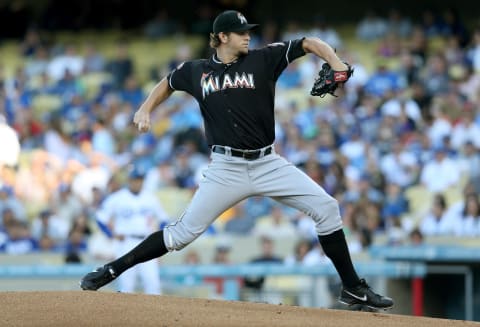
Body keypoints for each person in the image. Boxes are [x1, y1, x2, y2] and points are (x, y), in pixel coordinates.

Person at [80, 10, 393, 310]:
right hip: (225, 169)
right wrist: (146, 108)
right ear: (221, 37)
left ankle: (353, 287)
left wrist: (335, 61)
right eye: (241, 32)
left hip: (267, 162)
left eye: (248, 32)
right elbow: (169, 82)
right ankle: (111, 270)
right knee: (181, 235)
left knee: (327, 208)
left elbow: (308, 42)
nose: (247, 36)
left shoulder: (263, 58)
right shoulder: (196, 70)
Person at [92, 165, 169, 294]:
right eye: (135, 179)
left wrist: (159, 240)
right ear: (129, 180)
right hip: (126, 243)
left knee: (153, 284)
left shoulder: (150, 198)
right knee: (126, 285)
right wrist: (111, 234)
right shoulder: (117, 198)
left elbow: (164, 219)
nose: (138, 182)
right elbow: (100, 218)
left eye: (140, 179)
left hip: (147, 242)